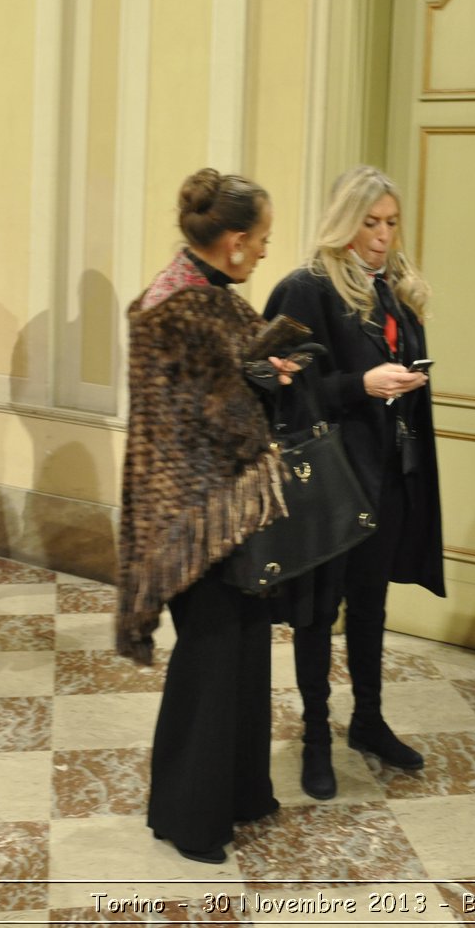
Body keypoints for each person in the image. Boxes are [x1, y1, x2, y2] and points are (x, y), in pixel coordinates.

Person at [116, 168, 296, 865]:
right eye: (263, 240)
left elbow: (220, 389)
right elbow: (215, 417)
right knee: (214, 659)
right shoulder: (185, 308)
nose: (265, 253)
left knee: (242, 650)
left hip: (209, 504)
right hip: (196, 513)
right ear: (234, 240)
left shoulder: (197, 291)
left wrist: (264, 372)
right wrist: (270, 386)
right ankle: (191, 819)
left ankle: (240, 792)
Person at [263, 165, 445, 801]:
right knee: (320, 613)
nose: (381, 237)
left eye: (391, 224)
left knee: (372, 604)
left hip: (388, 472)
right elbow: (280, 385)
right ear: (344, 223)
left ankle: (367, 721)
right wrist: (360, 385)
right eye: (370, 223)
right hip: (331, 481)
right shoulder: (306, 289)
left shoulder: (392, 289)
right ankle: (316, 738)